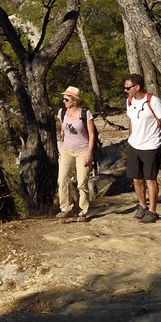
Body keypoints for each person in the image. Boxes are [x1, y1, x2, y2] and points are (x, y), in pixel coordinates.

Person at [122, 73, 161, 224]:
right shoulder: (129, 101)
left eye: (128, 88)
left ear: (137, 87)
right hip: (135, 145)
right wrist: (130, 138)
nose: (125, 91)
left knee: (150, 179)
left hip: (151, 145)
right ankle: (142, 205)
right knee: (136, 178)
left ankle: (153, 211)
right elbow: (131, 121)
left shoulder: (153, 101)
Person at [57, 86, 96, 222]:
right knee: (62, 179)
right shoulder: (62, 112)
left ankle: (83, 211)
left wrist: (89, 153)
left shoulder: (85, 114)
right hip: (67, 150)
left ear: (74, 100)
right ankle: (65, 208)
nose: (64, 101)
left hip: (82, 151)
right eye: (64, 98)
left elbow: (91, 134)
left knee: (82, 182)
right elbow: (62, 128)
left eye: (66, 99)